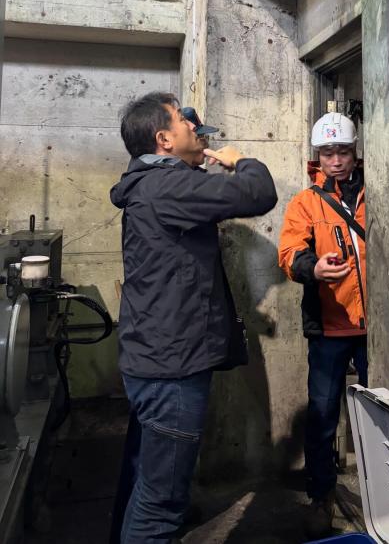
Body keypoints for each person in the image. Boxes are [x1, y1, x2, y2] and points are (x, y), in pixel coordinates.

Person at [109, 91, 277, 544]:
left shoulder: (153, 184)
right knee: (159, 505)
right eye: (182, 121)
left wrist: (196, 162)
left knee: (150, 481)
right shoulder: (167, 187)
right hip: (171, 368)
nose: (193, 126)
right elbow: (258, 192)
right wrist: (242, 161)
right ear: (163, 140)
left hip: (155, 360)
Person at [278, 112, 367, 537]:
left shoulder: (374, 195)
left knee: (384, 415)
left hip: (377, 332)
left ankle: (387, 491)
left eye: (342, 152)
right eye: (328, 153)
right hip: (330, 328)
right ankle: (321, 496)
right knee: (322, 415)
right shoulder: (305, 202)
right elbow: (289, 252)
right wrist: (312, 268)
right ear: (318, 156)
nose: (335, 160)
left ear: (354, 153)